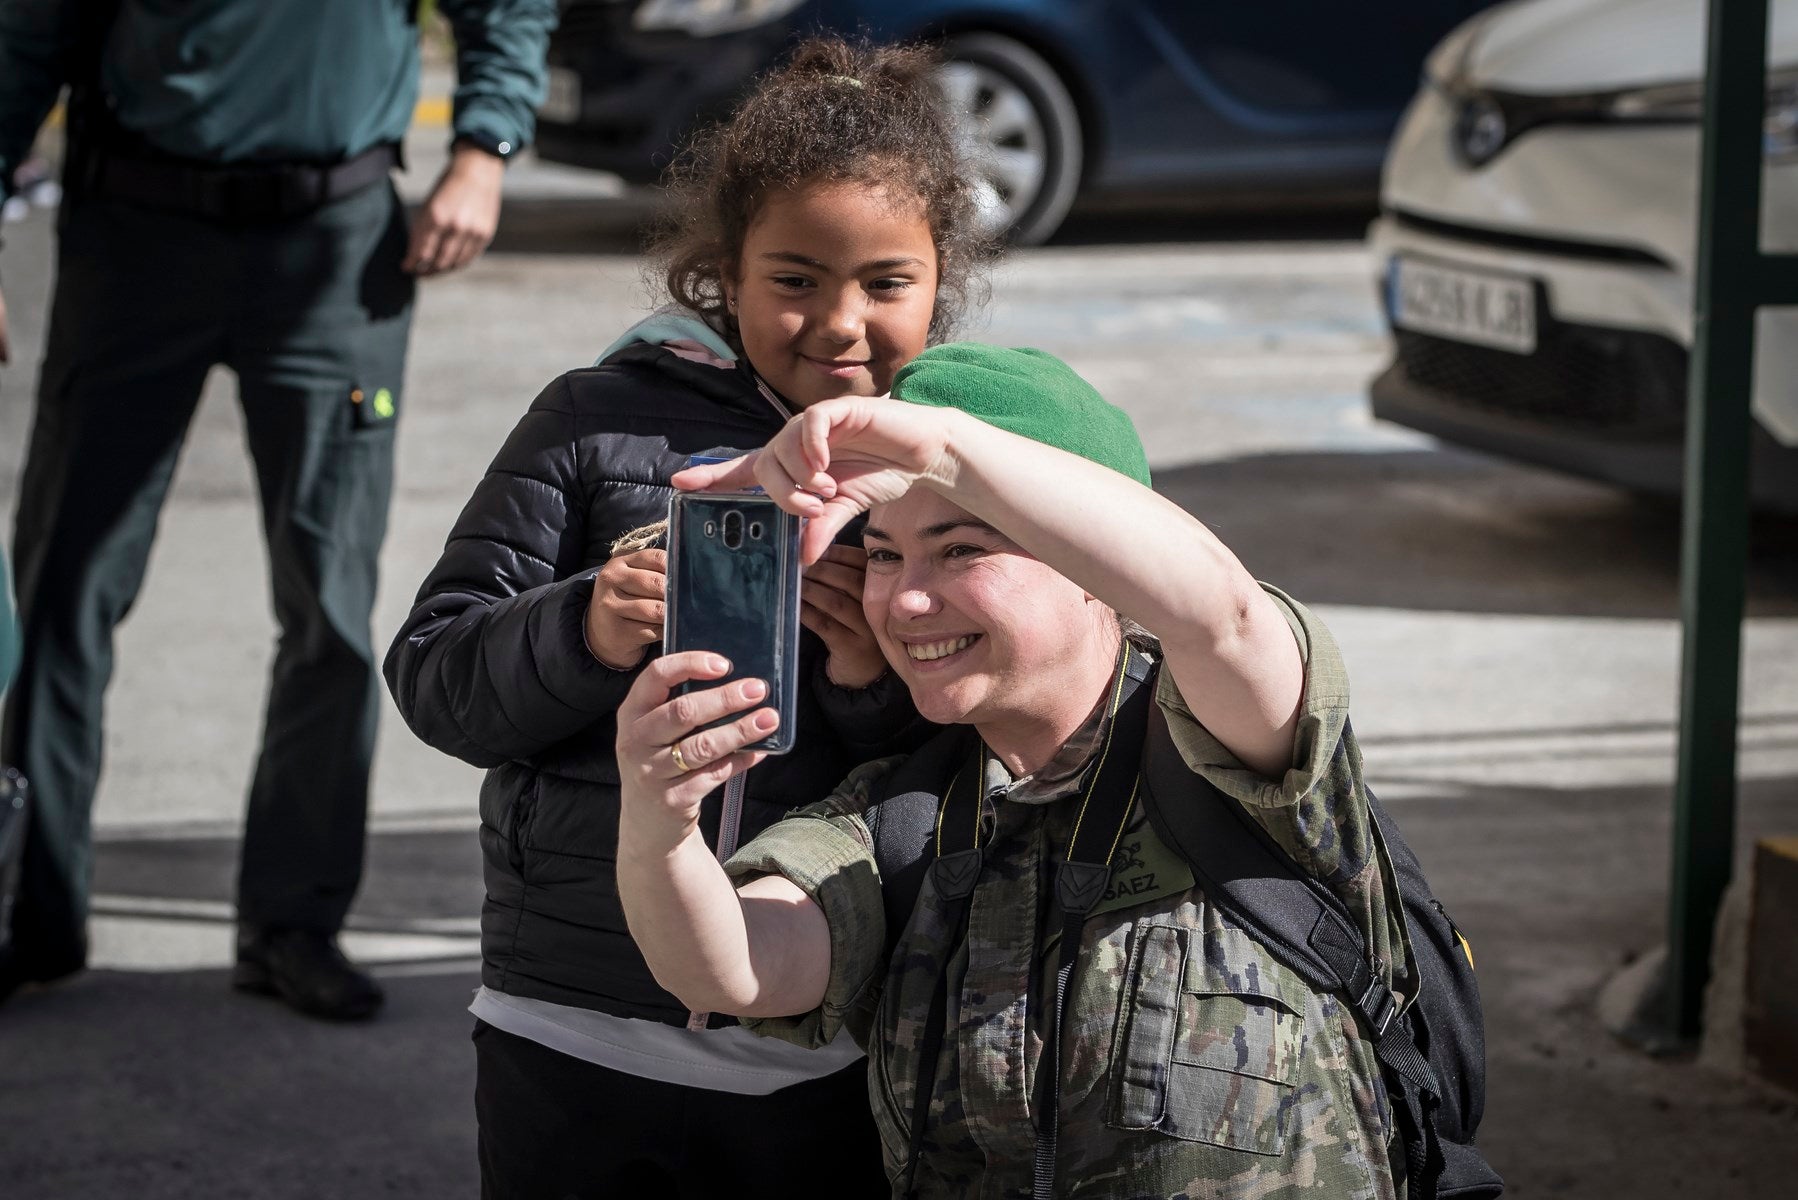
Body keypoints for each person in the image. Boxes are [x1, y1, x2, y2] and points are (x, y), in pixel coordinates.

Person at [383, 39, 995, 1200]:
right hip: (569, 1024)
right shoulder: (594, 419)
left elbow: (979, 752)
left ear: (940, 279)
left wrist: (869, 683)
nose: (839, 322)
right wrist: (585, 628)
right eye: (796, 277)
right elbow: (435, 677)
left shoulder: (943, 463)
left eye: (885, 282)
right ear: (723, 270)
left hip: (826, 1037)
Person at [614, 344, 1418, 1198]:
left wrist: (943, 451)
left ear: (1094, 566)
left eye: (960, 549)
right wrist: (659, 825)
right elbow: (731, 964)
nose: (906, 600)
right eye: (884, 555)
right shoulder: (902, 813)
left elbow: (1220, 614)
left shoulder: (1230, 745)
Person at [0, 0, 558, 1017]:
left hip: (334, 245)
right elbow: (27, 30)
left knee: (328, 608)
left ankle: (293, 923)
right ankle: (29, 914)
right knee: (61, 592)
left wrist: (486, 142)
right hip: (133, 236)